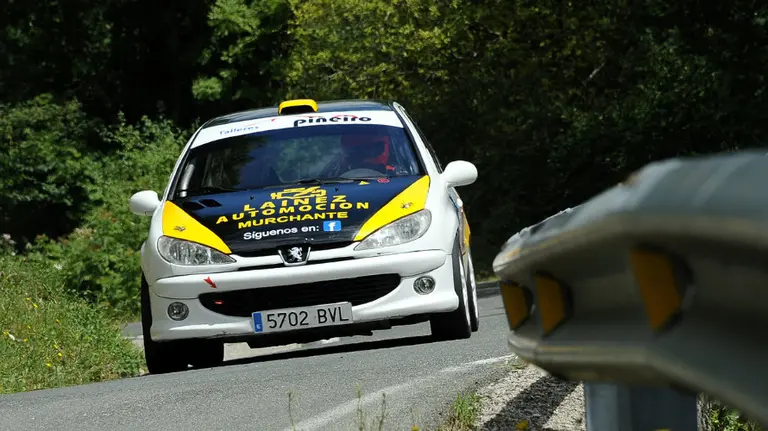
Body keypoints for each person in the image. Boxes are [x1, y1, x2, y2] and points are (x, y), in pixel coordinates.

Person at [321, 134, 395, 177]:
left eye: (378, 149)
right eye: (353, 153)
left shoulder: (400, 171)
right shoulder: (333, 171)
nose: (363, 157)